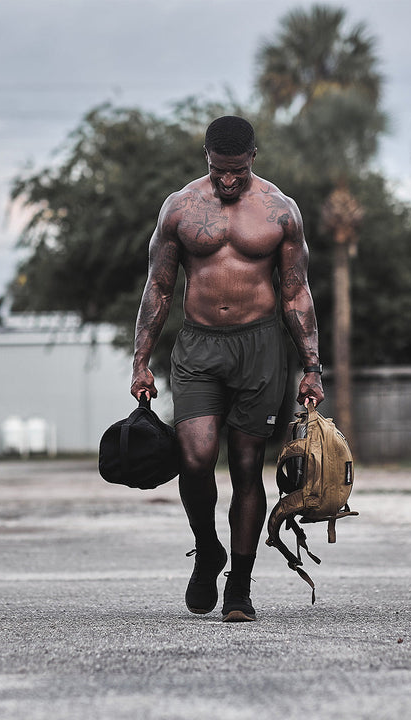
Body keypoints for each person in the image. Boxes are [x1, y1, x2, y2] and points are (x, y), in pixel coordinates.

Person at [130, 115, 323, 622]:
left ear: (252, 158)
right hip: (197, 347)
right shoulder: (180, 208)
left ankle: (239, 584)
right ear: (206, 158)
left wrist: (312, 367)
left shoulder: (280, 211)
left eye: (237, 170)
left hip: (260, 348)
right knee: (194, 457)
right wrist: (141, 361)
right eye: (219, 170)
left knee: (244, 468)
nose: (228, 180)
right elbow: (159, 288)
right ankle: (207, 549)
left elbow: (295, 292)